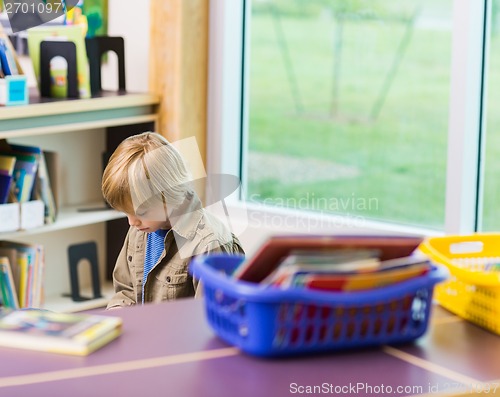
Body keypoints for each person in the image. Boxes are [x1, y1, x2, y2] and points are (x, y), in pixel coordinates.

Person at [102, 132, 244, 308]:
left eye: (142, 212)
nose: (131, 222)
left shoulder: (210, 244)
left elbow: (209, 319)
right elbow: (126, 292)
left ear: (169, 194)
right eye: (126, 213)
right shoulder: (141, 228)